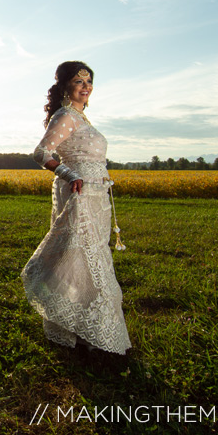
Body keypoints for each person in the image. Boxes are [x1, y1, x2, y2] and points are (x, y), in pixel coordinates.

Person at [21, 61, 131, 354]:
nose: (86, 87)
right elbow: (41, 153)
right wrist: (70, 174)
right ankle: (77, 325)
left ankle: (85, 324)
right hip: (78, 192)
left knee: (90, 253)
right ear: (65, 86)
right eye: (79, 81)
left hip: (95, 195)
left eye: (89, 81)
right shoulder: (66, 116)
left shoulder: (82, 118)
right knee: (77, 251)